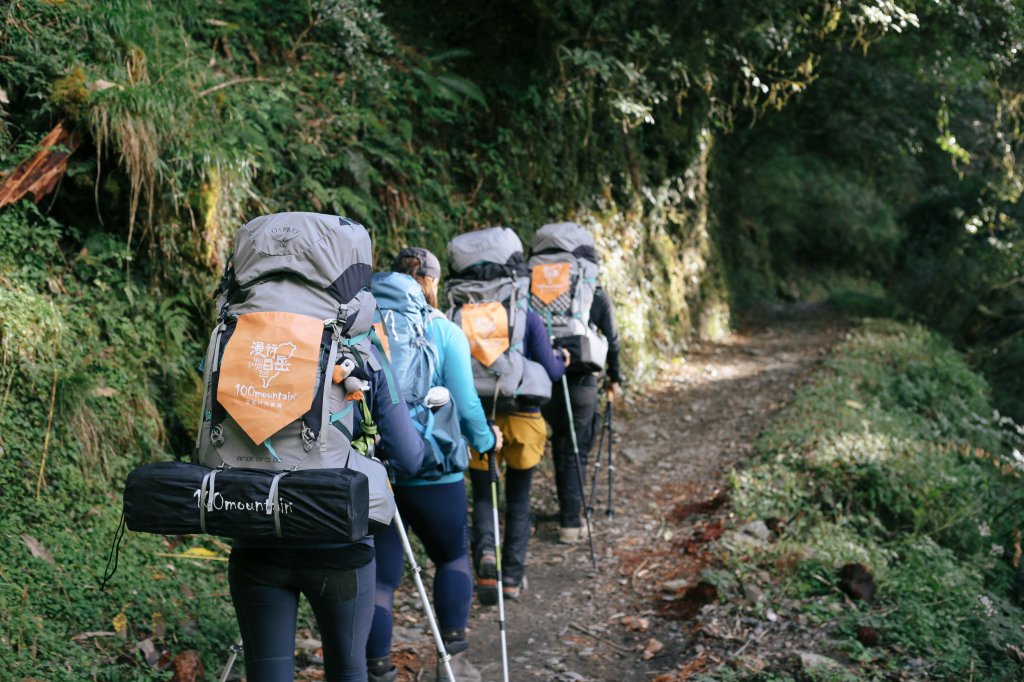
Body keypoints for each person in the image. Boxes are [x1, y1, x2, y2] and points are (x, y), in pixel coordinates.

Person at [228, 340, 425, 682]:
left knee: (265, 673)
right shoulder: (360, 347)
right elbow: (408, 457)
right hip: (339, 540)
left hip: (256, 526)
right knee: (347, 670)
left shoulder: (241, 336)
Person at [366, 247, 503, 682]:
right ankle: (455, 665)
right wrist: (485, 441)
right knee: (451, 557)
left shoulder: (360, 325)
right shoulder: (443, 330)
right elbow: (465, 404)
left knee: (382, 578)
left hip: (378, 472)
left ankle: (377, 670)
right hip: (435, 471)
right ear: (430, 282)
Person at [469, 306, 568, 603]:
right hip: (525, 417)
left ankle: (487, 564)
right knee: (519, 499)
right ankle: (511, 578)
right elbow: (551, 370)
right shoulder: (526, 317)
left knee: (484, 496)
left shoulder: (466, 315)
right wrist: (562, 359)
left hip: (483, 419)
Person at [542, 284, 622, 543]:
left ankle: (567, 510)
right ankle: (570, 522)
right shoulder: (592, 291)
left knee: (561, 440)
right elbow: (612, 338)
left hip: (546, 373)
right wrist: (614, 376)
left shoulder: (538, 286)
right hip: (582, 376)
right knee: (577, 445)